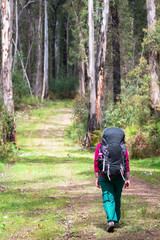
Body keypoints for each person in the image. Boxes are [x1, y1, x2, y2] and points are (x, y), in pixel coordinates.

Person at [94, 139, 130, 232]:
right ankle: (116, 220)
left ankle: (111, 220)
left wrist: (97, 178)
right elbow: (126, 161)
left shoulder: (100, 146)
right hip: (120, 175)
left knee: (108, 196)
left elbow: (96, 162)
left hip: (104, 175)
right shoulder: (122, 146)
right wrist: (128, 179)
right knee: (117, 196)